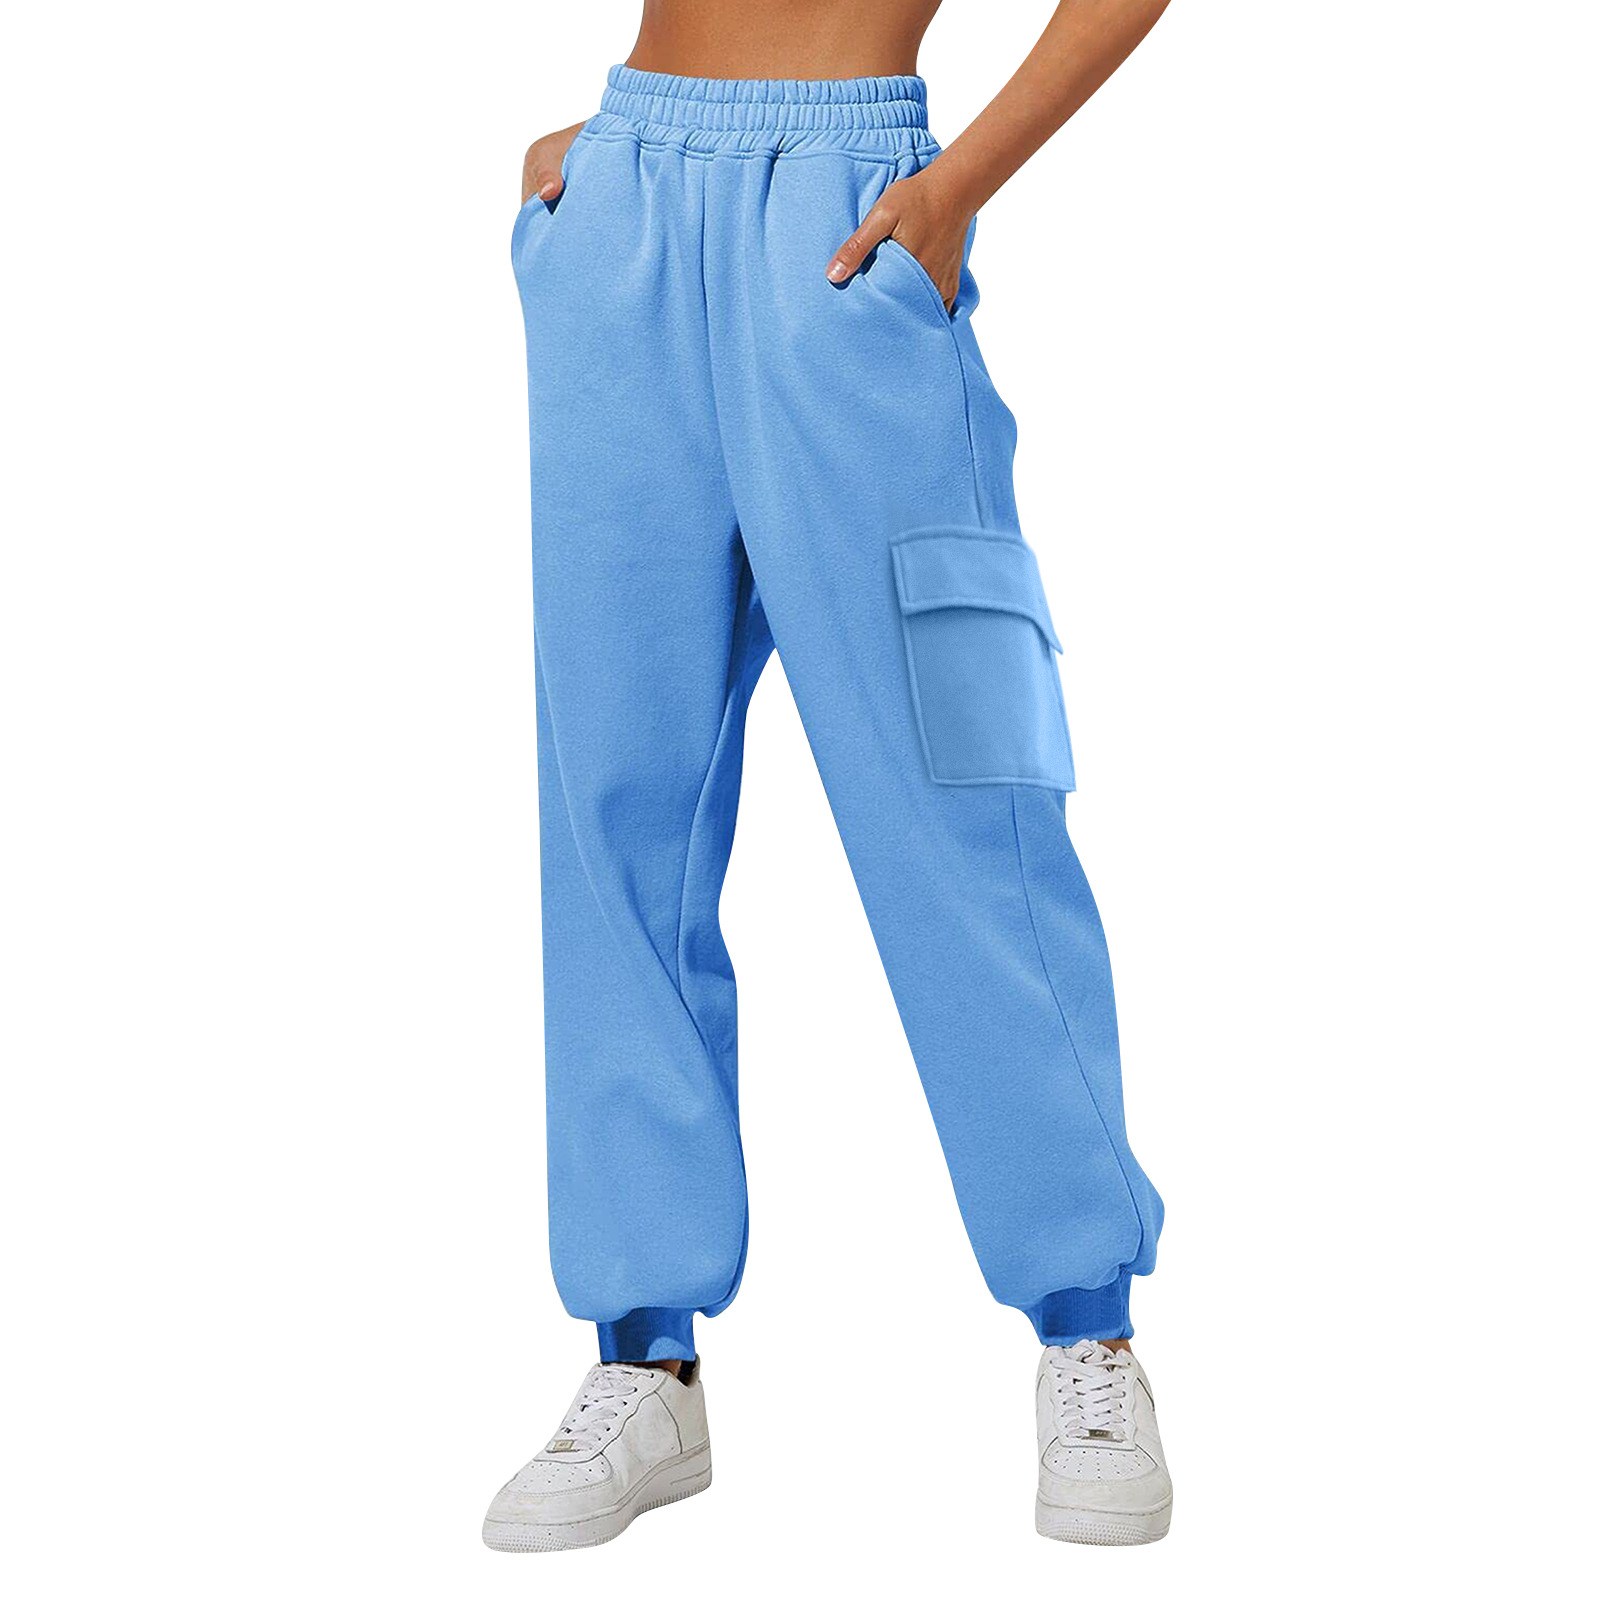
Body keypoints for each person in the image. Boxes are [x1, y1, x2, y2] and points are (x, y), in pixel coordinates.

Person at [485, 0, 1174, 1550]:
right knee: (616, 811)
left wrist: (957, 189)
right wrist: (606, 161)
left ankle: (1089, 1328)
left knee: (966, 793)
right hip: (626, 212)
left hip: (852, 225)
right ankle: (643, 1357)